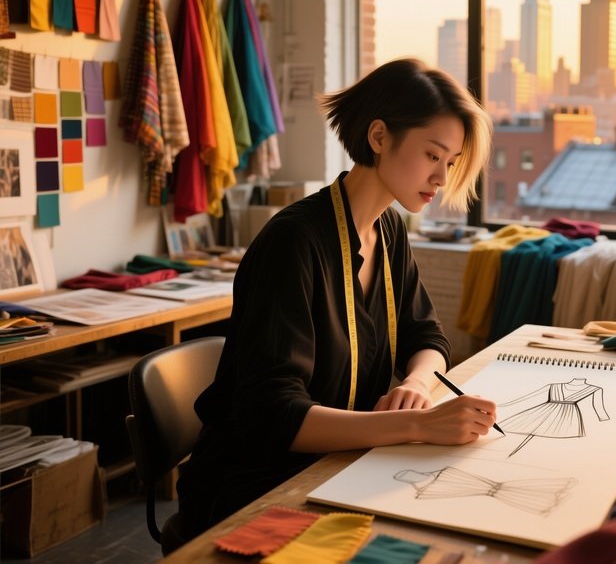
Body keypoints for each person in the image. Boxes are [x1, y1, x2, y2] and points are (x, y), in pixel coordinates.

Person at [176, 57, 495, 536]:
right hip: (253, 486)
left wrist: (417, 382)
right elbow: (275, 416)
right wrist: (417, 426)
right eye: (433, 156)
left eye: (449, 163)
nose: (441, 179)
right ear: (380, 137)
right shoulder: (294, 242)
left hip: (342, 466)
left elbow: (425, 335)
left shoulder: (387, 228)